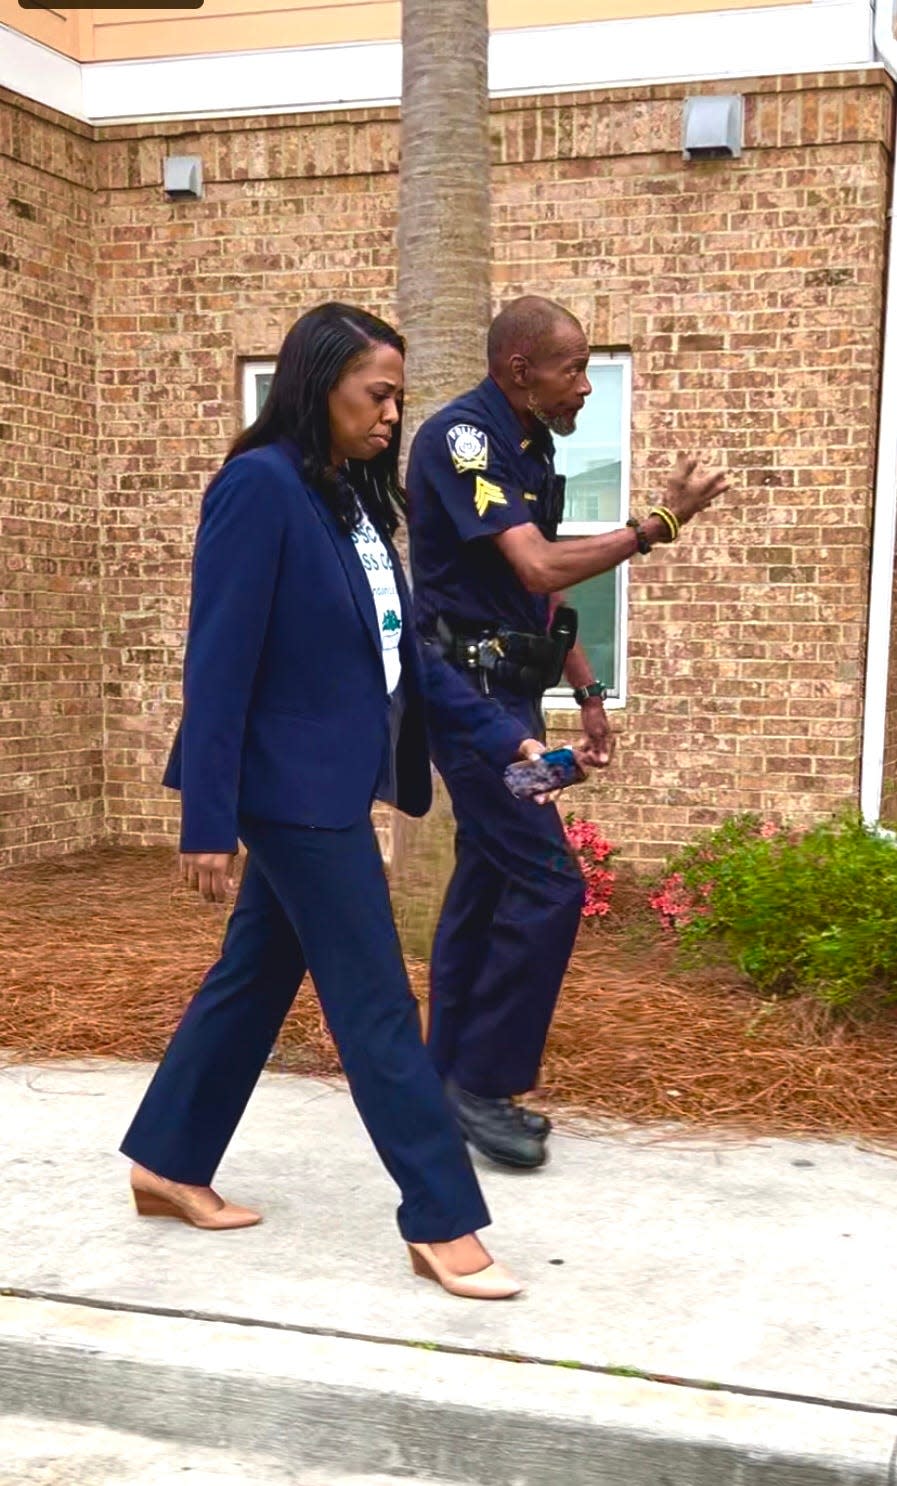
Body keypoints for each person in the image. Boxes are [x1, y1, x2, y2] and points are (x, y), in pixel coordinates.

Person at [119, 302, 552, 1301]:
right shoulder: (259, 489)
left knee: (256, 974)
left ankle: (168, 1159)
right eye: (379, 394)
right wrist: (208, 819)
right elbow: (218, 662)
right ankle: (443, 1219)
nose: (395, 413)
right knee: (377, 1007)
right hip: (289, 796)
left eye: (399, 395)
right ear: (320, 389)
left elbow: (407, 657)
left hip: (329, 785)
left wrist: (504, 734)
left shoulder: (351, 500)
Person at [406, 294, 729, 1170]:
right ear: (519, 370)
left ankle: (442, 1079)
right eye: (571, 368)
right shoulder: (461, 439)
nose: (584, 386)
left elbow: (537, 595)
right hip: (463, 702)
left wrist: (584, 690)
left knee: (487, 873)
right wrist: (655, 526)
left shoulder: (528, 445)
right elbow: (540, 563)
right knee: (548, 882)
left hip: (507, 700)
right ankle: (482, 1084)